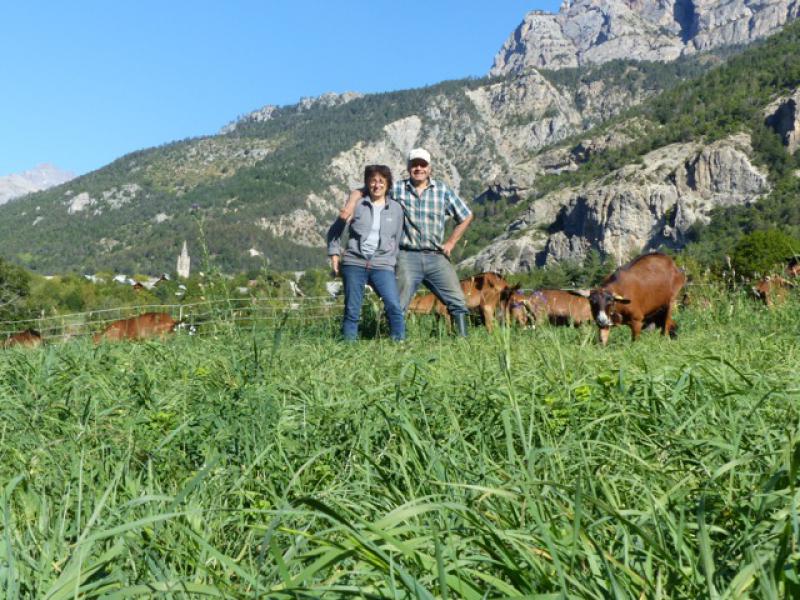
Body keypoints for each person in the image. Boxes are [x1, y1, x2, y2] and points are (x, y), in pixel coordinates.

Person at [340, 148, 474, 336]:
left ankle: (463, 341)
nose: (418, 168)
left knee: (457, 299)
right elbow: (364, 190)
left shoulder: (442, 190)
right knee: (398, 303)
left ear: (430, 168)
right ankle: (394, 341)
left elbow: (466, 216)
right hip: (406, 256)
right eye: (414, 165)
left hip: (436, 256)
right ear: (408, 167)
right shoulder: (397, 189)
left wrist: (451, 242)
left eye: (423, 165)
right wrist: (350, 204)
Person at [327, 164, 405, 341]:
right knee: (352, 309)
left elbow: (397, 239)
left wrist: (393, 263)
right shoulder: (357, 204)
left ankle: (399, 344)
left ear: (388, 184)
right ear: (367, 183)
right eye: (372, 181)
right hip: (355, 262)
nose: (377, 185)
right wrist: (334, 256)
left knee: (394, 305)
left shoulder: (396, 209)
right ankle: (349, 348)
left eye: (381, 181)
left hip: (383, 264)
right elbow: (334, 231)